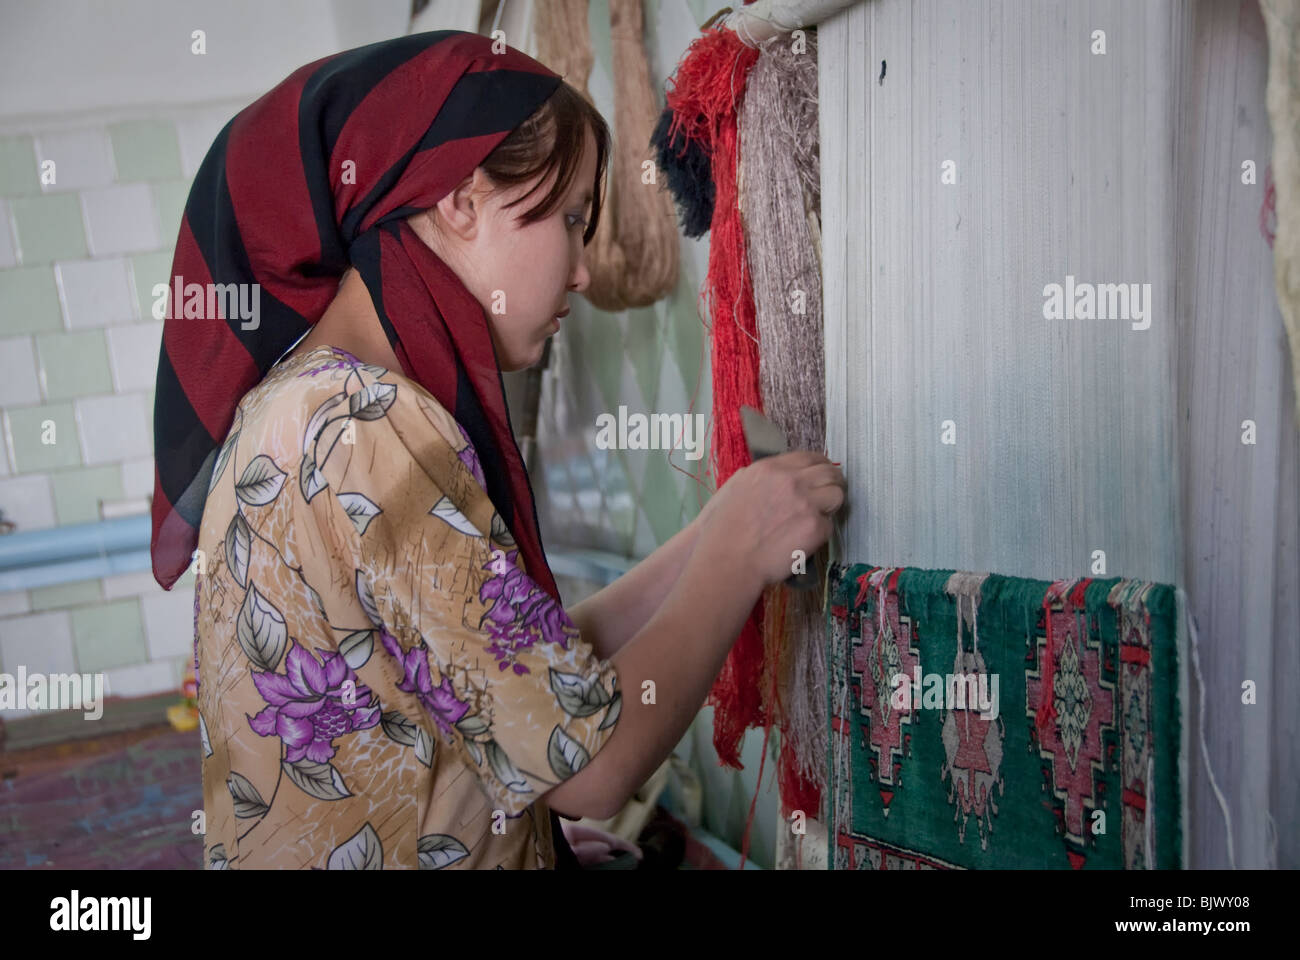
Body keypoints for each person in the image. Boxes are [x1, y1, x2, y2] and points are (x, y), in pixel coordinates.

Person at [153, 31, 844, 870]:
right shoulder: (372, 426)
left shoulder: (303, 403)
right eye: (571, 220)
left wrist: (721, 531)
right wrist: (736, 555)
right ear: (460, 201)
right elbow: (589, 769)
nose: (583, 270)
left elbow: (519, 670)